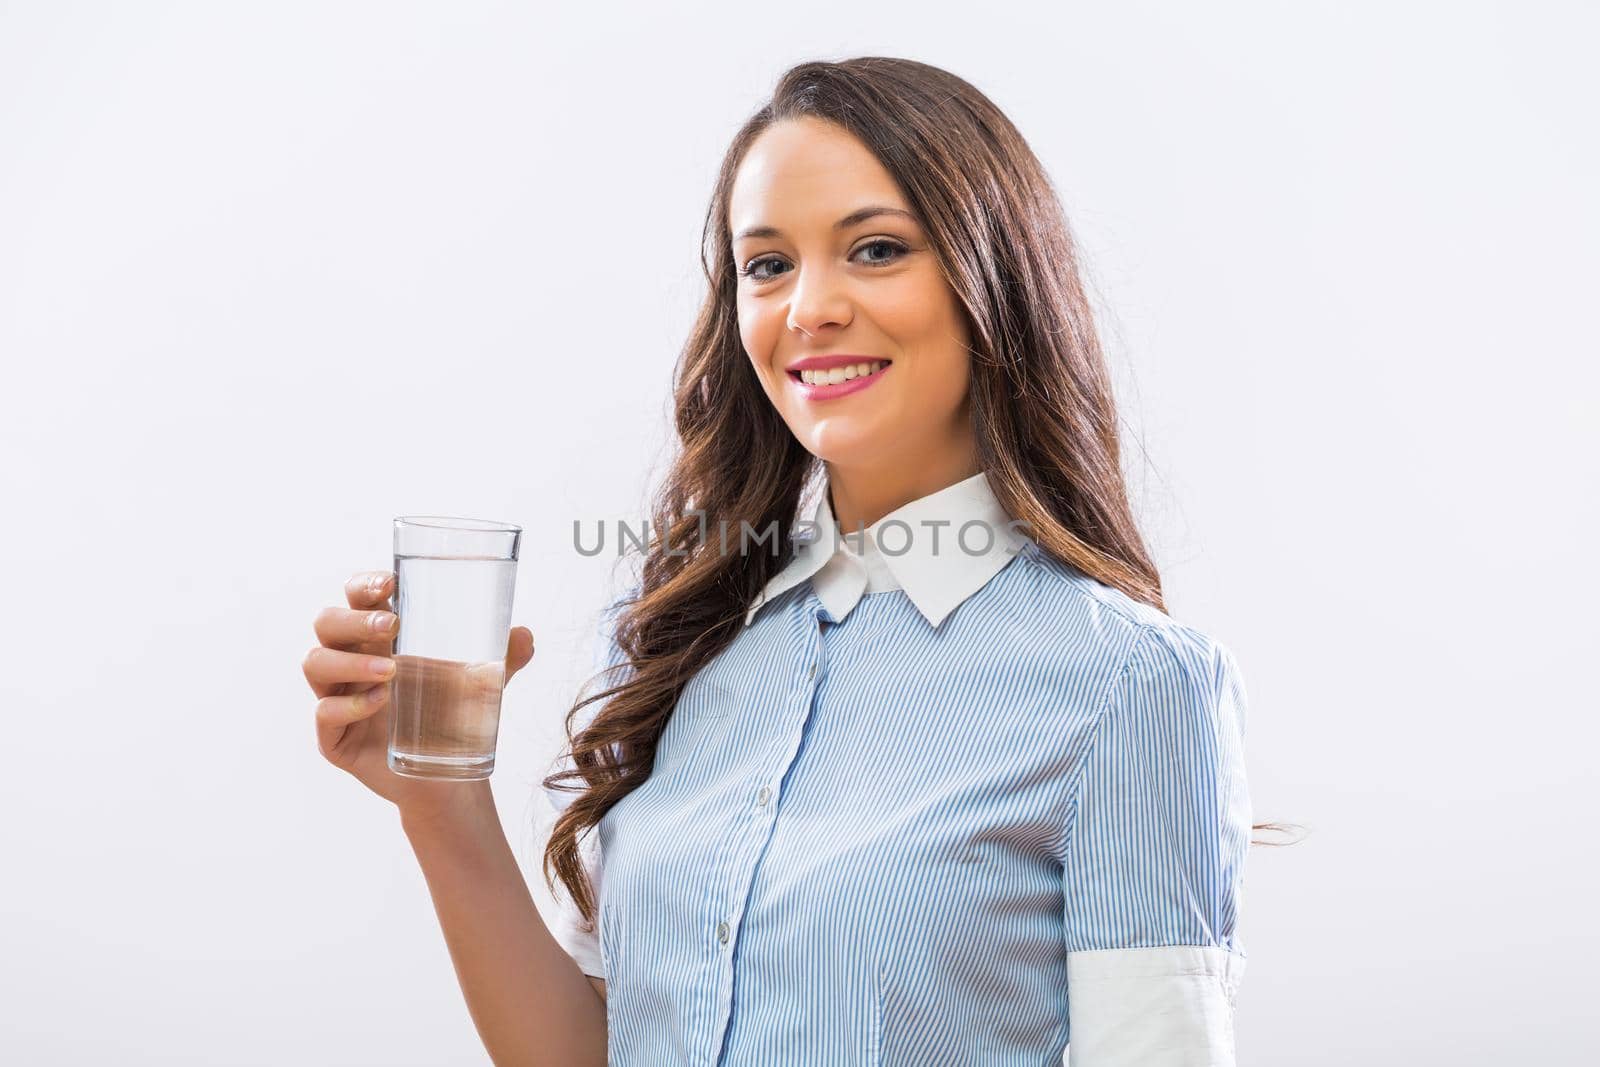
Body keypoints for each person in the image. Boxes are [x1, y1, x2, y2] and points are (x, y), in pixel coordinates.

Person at [305, 56, 1252, 1067]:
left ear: (995, 277)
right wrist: (440, 802)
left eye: (876, 248)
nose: (808, 307)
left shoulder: (1131, 683)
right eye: (766, 265)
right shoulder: (680, 630)